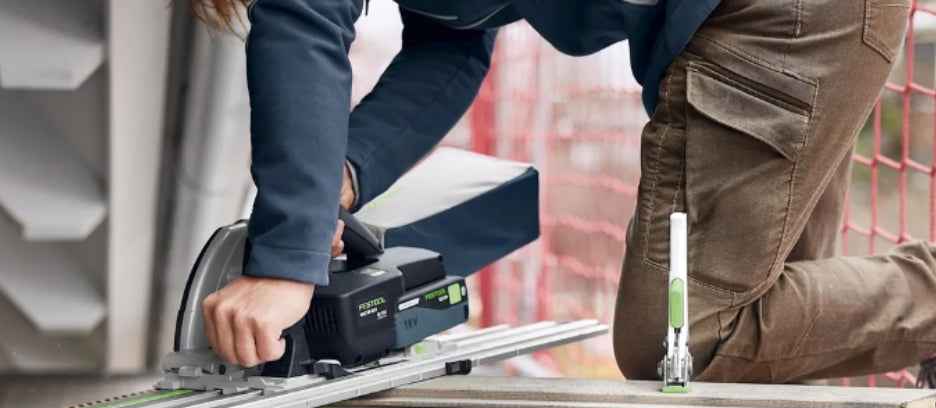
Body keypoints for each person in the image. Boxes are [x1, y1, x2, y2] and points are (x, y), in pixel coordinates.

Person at [190, 0, 931, 386]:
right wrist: (338, 180)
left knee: (687, 341)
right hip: (800, 22)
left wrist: (285, 260)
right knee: (769, 368)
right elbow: (452, 38)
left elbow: (303, 20)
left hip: (775, 20)